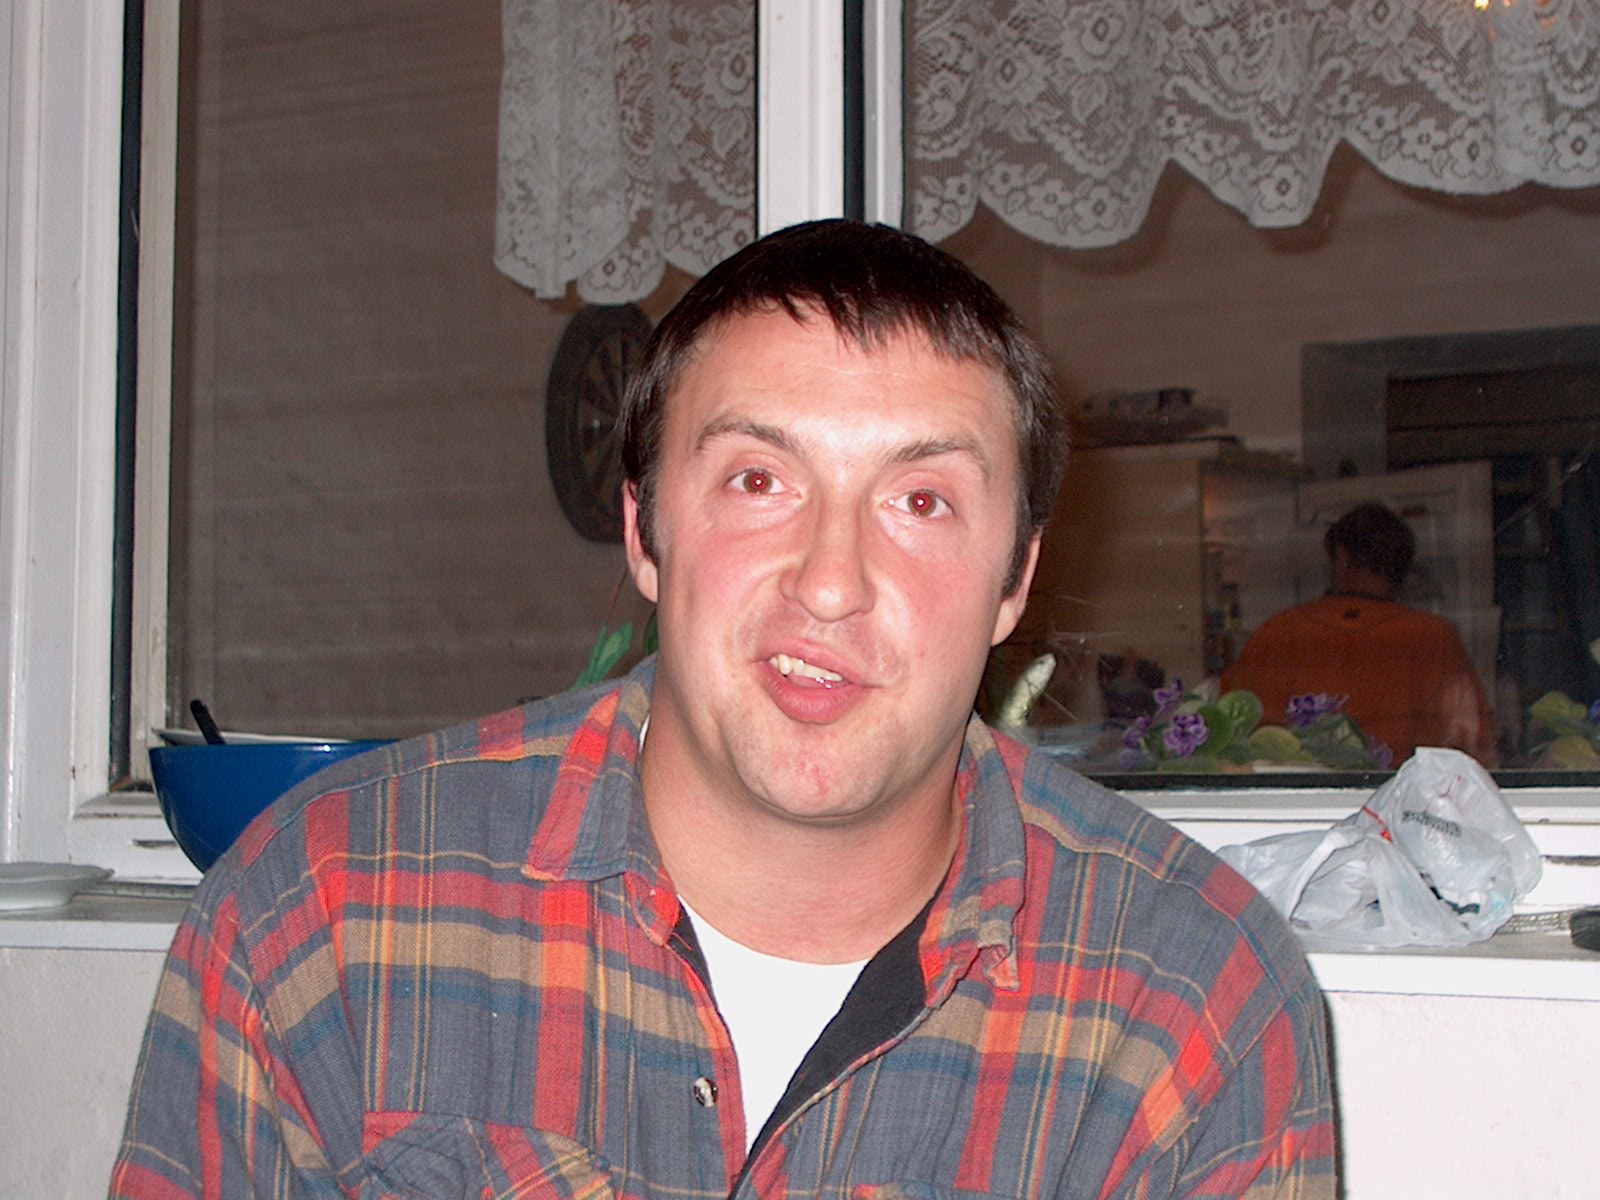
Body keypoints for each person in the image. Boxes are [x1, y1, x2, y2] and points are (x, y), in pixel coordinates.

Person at [111, 220, 1335, 1199]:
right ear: (645, 531)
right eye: (758, 479)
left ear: (1014, 577)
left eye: (920, 501)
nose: (831, 581)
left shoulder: (1196, 1001)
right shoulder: (323, 910)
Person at [1222, 501, 1496, 766]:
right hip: (1404, 794)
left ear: (1341, 556)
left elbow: (1229, 737)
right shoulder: (1433, 637)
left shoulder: (1279, 633)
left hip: (1300, 794)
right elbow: (1471, 745)